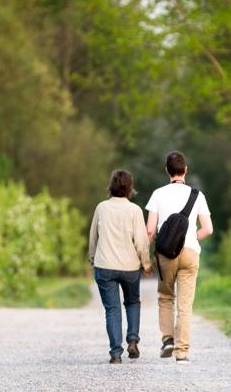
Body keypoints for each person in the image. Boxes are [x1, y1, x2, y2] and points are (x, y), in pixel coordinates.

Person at [145, 151, 213, 364]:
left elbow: (149, 231)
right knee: (185, 304)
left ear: (167, 171)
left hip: (166, 254)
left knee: (166, 297)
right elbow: (208, 229)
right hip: (190, 252)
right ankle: (182, 352)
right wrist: (192, 237)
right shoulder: (197, 195)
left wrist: (144, 258)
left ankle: (167, 340)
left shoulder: (157, 194)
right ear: (185, 171)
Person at [88, 169, 153, 364]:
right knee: (132, 302)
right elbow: (141, 242)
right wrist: (146, 264)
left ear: (111, 186)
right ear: (130, 188)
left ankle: (116, 353)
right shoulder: (135, 210)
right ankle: (132, 339)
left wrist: (93, 258)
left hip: (105, 265)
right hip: (130, 267)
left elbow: (93, 237)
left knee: (112, 309)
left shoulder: (101, 208)